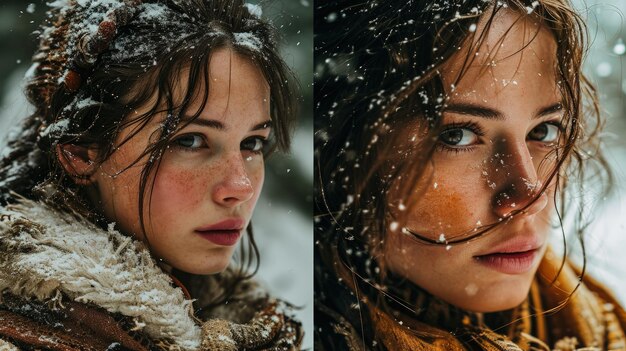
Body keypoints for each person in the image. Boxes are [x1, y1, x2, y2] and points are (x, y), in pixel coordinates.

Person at [314, 0, 626, 350]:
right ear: (341, 149)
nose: (529, 199)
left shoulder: (595, 325)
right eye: (457, 135)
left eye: (544, 131)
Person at [0, 0, 302, 349]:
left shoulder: (245, 316)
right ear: (80, 154)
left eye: (252, 143)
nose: (240, 186)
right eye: (190, 140)